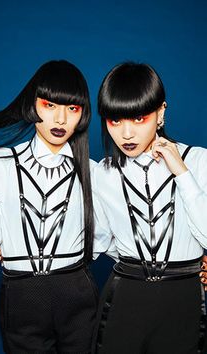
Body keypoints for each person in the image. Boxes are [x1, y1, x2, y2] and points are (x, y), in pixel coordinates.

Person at [0, 60, 98, 354]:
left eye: (72, 109)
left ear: (82, 115)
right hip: (21, 293)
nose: (60, 118)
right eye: (50, 104)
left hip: (77, 289)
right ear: (33, 104)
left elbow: (108, 238)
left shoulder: (93, 172)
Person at [92, 62, 207, 354]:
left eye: (139, 118)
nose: (126, 134)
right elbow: (101, 240)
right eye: (115, 121)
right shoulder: (102, 173)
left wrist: (181, 172)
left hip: (184, 297)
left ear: (161, 112)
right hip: (125, 296)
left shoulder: (198, 162)